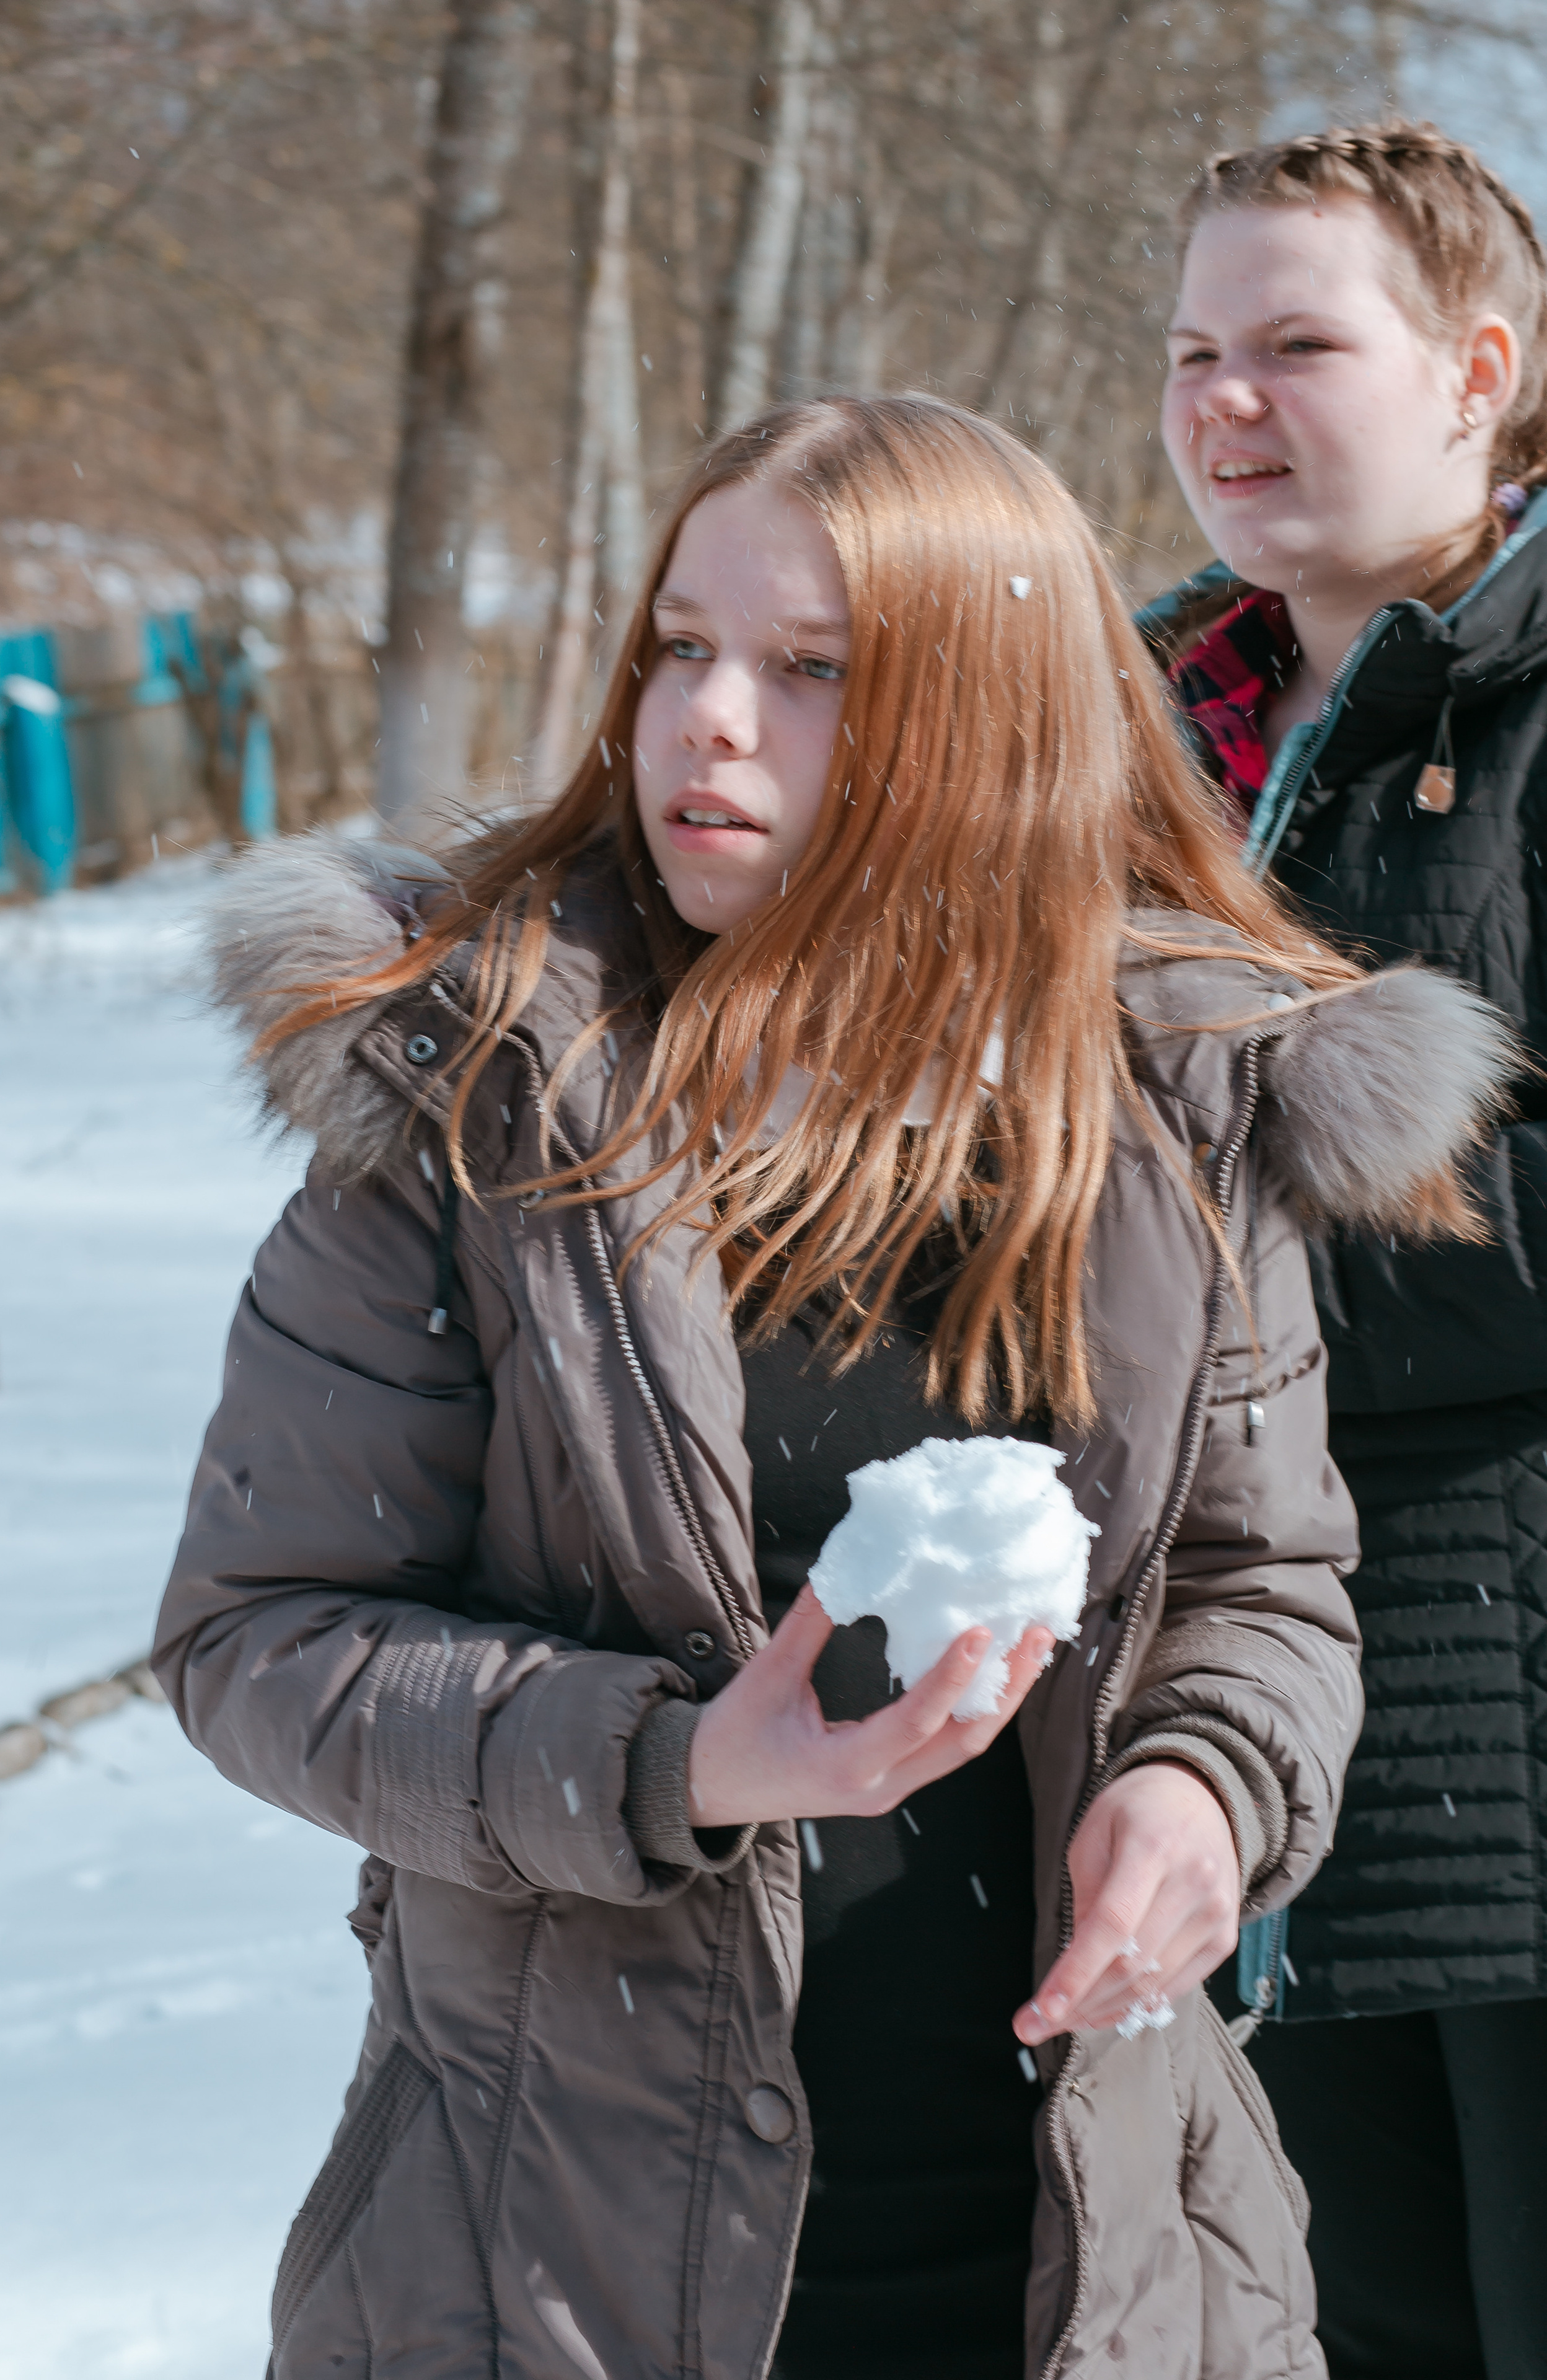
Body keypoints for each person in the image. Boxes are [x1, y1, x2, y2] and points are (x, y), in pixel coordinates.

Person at [155, 395, 1504, 2380]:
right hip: (561, 2265)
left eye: (813, 675)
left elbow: (1260, 1583)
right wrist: (677, 1763)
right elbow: (257, 1641)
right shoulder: (474, 1101)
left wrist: (1204, 1786)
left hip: (1100, 2269)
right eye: (680, 650)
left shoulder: (1181, 1108)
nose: (707, 721)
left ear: (987, 720)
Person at [1148, 120, 1547, 2380]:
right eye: (1195, 349)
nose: (1226, 402)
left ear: (1480, 369)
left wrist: (1211, 1246)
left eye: (1300, 342)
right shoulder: (1136, 734)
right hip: (1237, 1699)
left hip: (1509, 1694)